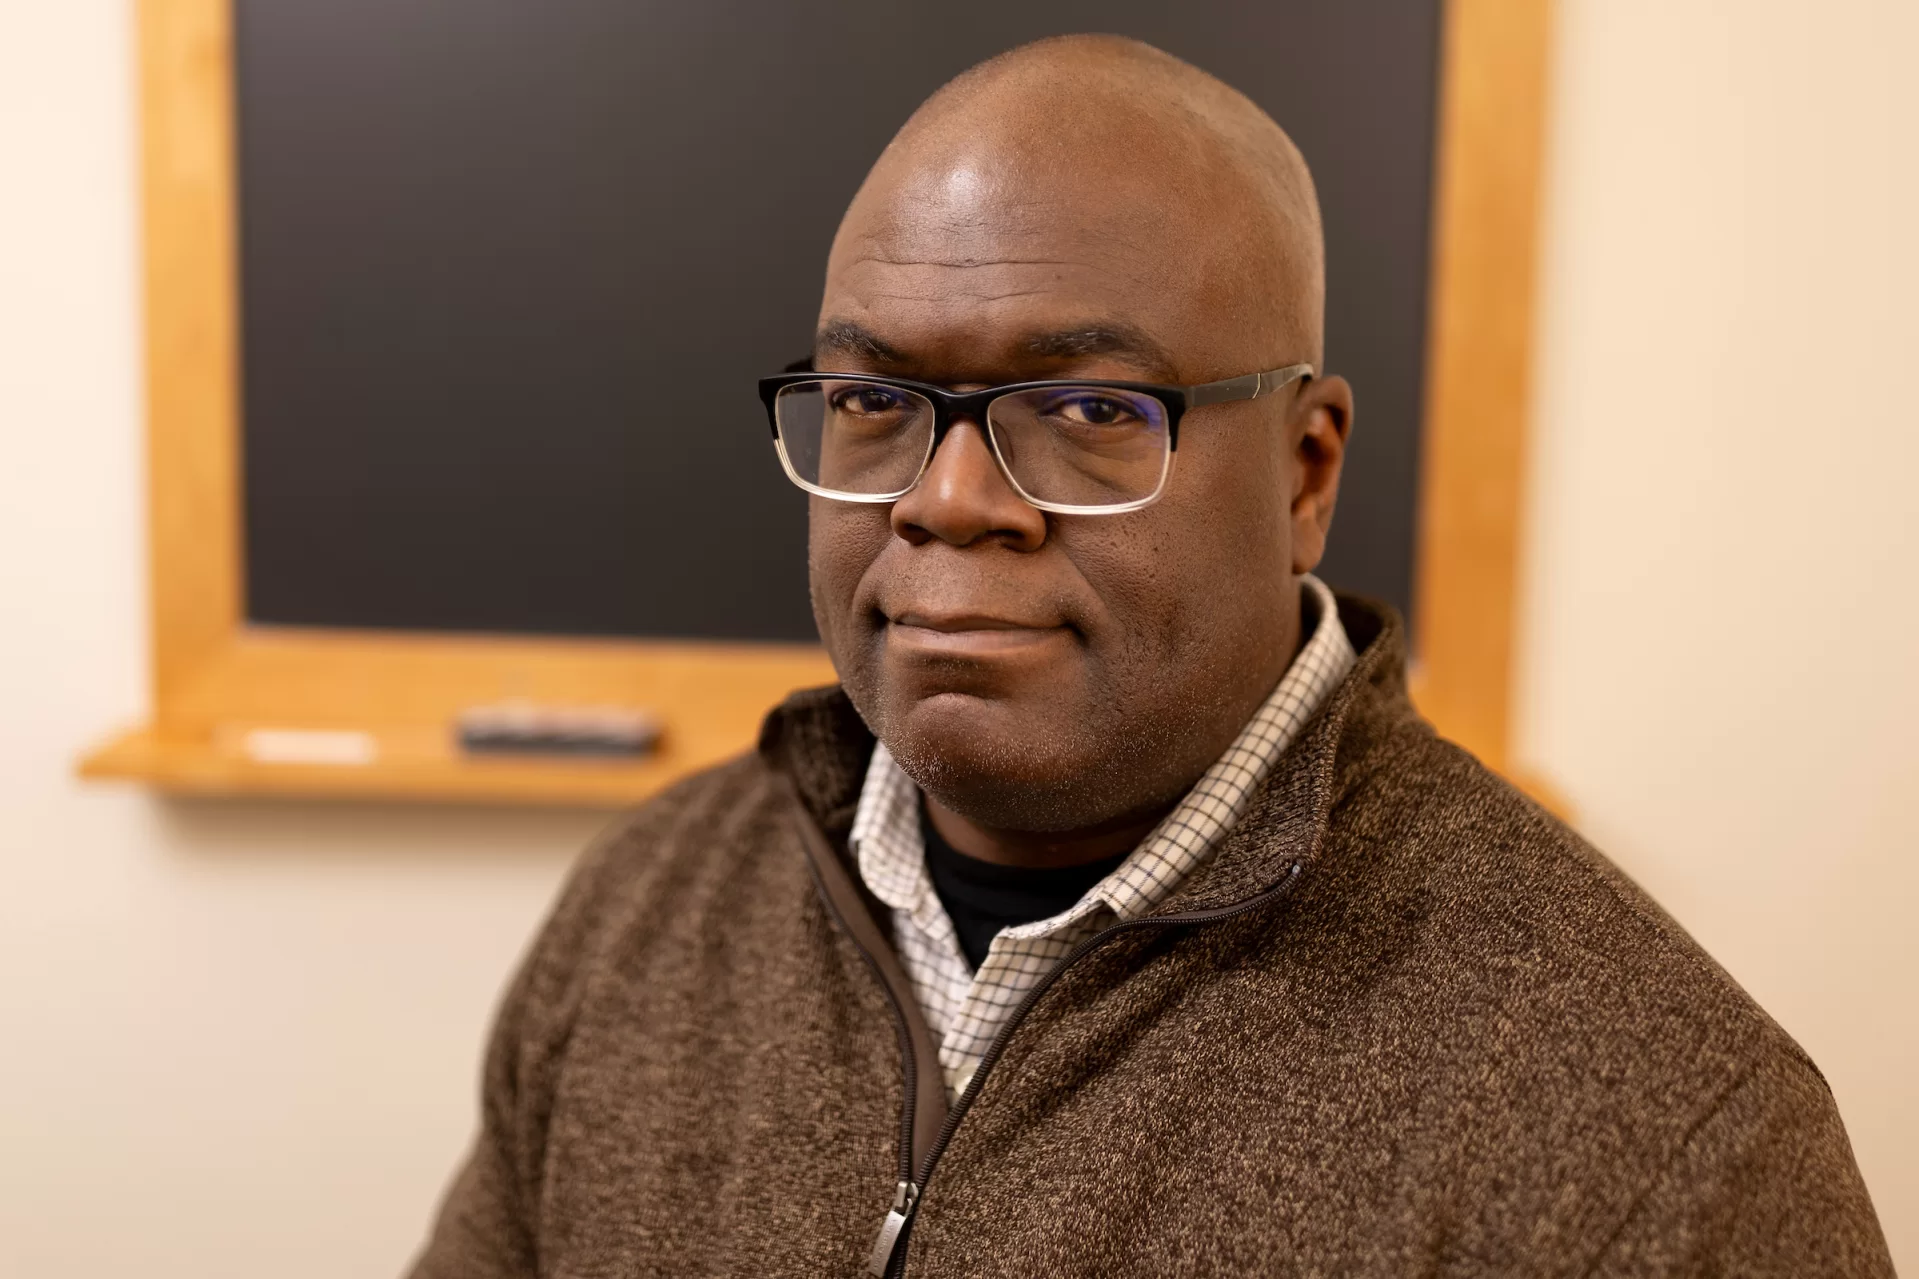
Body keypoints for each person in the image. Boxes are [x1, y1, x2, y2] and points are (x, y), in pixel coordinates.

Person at [408, 35, 1891, 1278]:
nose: (944, 497)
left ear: (1304, 473)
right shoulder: (648, 912)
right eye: (873, 400)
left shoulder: (1660, 1135)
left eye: (1089, 411)